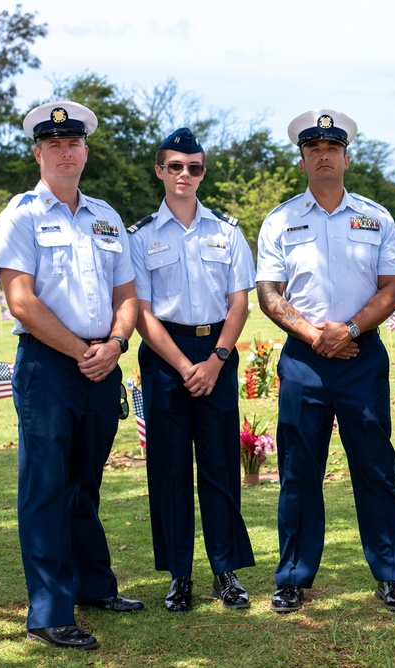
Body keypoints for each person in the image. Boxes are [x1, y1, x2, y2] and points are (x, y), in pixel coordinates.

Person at [0, 100, 143, 651]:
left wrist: (117, 344)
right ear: (38, 152)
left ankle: (94, 587)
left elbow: (127, 295)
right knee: (46, 488)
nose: (64, 152)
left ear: (85, 150)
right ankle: (49, 612)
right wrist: (84, 350)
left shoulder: (106, 217)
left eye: (73, 143)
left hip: (103, 364)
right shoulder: (21, 216)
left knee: (86, 482)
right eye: (53, 144)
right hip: (50, 368)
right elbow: (21, 301)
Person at [256, 109, 395, 614]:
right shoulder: (280, 220)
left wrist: (347, 331)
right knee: (299, 469)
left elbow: (393, 287)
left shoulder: (376, 217)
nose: (323, 156)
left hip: (361, 355)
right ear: (302, 159)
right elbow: (268, 293)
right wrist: (314, 335)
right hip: (304, 358)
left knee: (375, 466)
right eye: (313, 149)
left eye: (332, 148)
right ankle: (293, 577)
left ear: (346, 157)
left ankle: (391, 575)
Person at [128, 128, 256, 613]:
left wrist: (217, 361)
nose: (185, 175)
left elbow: (239, 302)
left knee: (221, 466)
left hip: (217, 351)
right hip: (165, 358)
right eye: (176, 166)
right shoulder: (139, 235)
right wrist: (185, 366)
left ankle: (225, 571)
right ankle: (179, 574)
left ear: (203, 172)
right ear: (160, 170)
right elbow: (141, 311)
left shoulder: (227, 231)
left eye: (195, 167)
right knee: (170, 469)